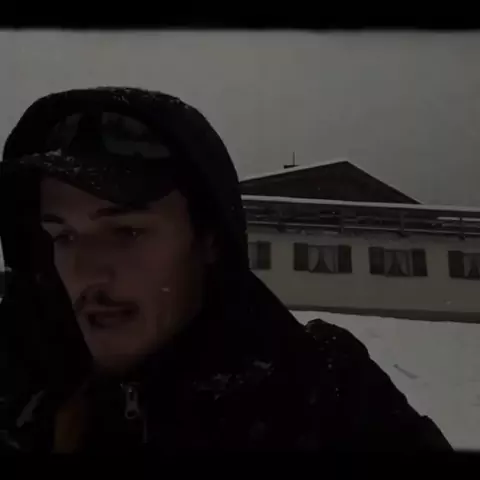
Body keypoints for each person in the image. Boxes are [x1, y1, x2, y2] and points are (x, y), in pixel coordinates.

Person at [0, 87, 451, 452]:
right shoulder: (18, 390)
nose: (85, 274)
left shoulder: (329, 403)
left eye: (126, 232)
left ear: (210, 240)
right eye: (63, 236)